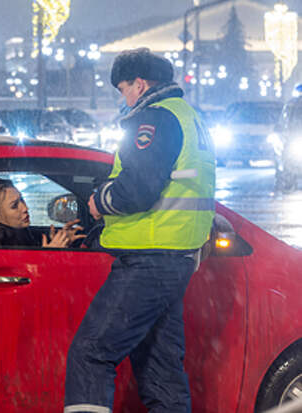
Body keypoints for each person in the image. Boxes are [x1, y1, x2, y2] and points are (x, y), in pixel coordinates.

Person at [64, 48, 215, 413]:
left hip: (150, 257)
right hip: (176, 255)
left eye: (124, 89)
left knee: (91, 353)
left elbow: (138, 189)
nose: (124, 98)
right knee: (161, 370)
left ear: (140, 84)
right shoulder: (188, 116)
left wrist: (99, 201)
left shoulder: (155, 118)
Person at [0, 178, 85, 248]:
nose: (25, 208)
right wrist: (49, 254)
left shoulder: (19, 233)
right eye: (14, 206)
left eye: (22, 199)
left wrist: (61, 240)